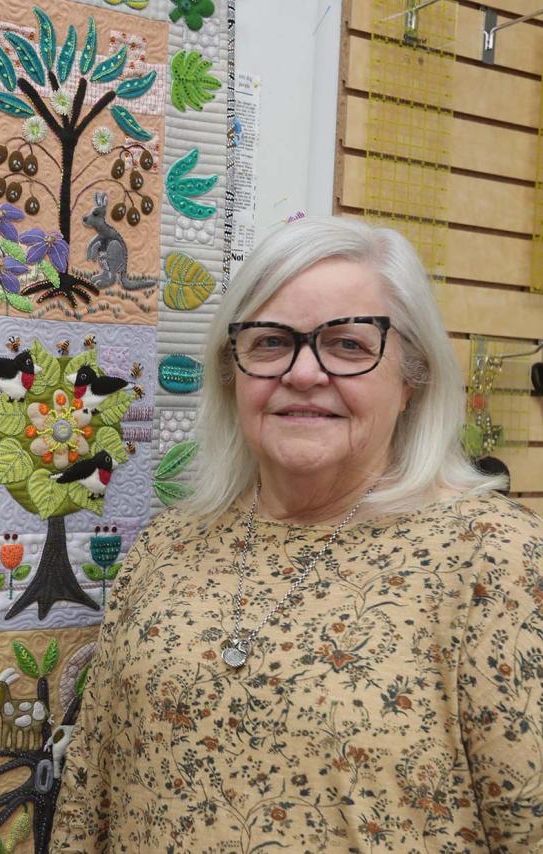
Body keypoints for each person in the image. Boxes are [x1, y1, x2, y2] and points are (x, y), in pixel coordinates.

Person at [51, 217, 542, 852]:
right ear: (233, 372)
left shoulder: (492, 558)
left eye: (347, 344)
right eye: (269, 342)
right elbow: (89, 792)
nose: (304, 373)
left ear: (411, 377)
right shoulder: (168, 546)